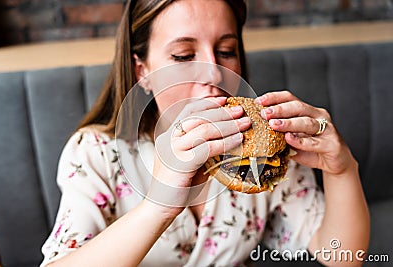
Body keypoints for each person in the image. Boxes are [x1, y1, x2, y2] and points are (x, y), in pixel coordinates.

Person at [40, 0, 370, 266]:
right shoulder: (95, 154)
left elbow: (341, 255)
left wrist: (342, 170)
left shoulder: (266, 151)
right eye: (183, 56)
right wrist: (160, 208)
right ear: (143, 71)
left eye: (226, 51)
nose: (214, 72)